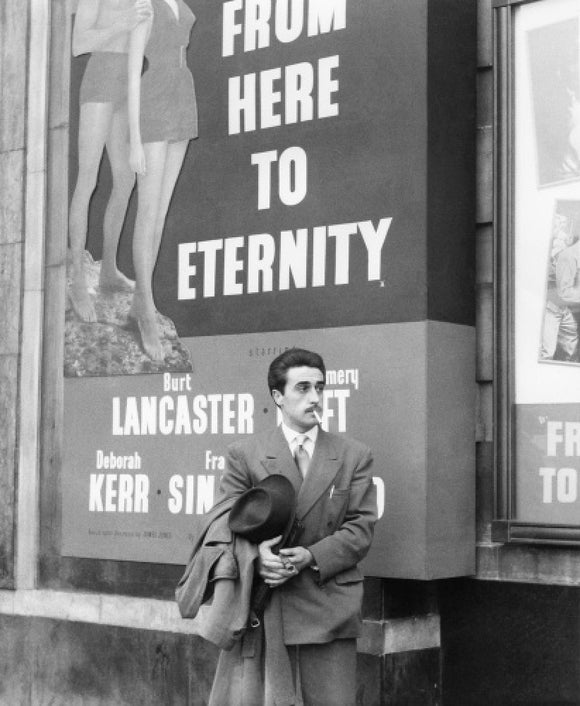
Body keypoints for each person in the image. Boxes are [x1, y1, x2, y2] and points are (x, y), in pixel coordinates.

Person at [214, 348, 378, 706]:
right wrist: (258, 557)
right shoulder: (246, 453)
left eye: (320, 387)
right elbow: (226, 527)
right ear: (278, 396)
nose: (315, 398)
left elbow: (361, 529)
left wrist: (310, 556)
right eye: (302, 388)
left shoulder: (353, 455)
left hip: (329, 605)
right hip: (268, 606)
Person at [68, 0, 152, 322]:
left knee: (126, 179)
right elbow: (78, 44)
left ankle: (108, 270)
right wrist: (123, 23)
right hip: (100, 78)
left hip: (129, 82)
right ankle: (77, 279)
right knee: (87, 179)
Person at [126, 0, 198, 361]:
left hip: (183, 94)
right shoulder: (145, 4)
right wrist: (134, 139)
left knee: (161, 213)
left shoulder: (179, 4)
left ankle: (141, 299)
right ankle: (147, 310)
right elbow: (132, 69)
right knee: (147, 211)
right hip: (154, 98)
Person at [541, 215, 580, 362]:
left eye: (563, 223)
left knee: (572, 342)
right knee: (547, 352)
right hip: (552, 307)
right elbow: (564, 292)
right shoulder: (567, 254)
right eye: (559, 224)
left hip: (564, 309)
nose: (562, 227)